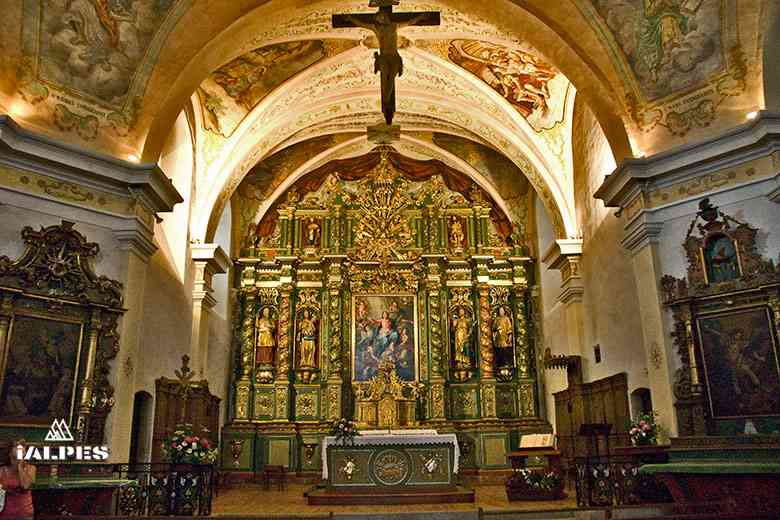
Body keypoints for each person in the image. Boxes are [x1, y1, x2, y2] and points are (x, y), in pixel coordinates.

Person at [0, 439, 35, 519]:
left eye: (23, 446)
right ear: (9, 452)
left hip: (24, 514)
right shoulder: (2, 470)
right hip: (5, 513)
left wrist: (20, 465)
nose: (20, 448)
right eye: (16, 446)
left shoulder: (31, 468)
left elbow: (25, 486)